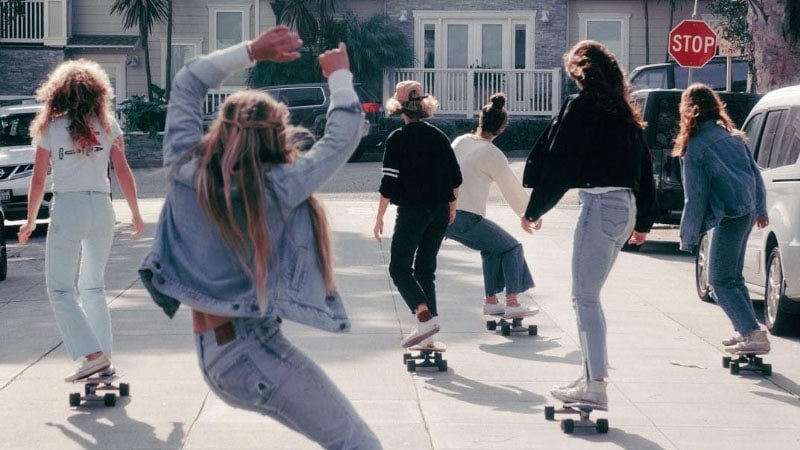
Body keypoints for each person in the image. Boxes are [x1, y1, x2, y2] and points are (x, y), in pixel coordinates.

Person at [137, 27, 381, 449]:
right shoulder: (277, 186)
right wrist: (339, 76)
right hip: (249, 348)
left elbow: (188, 81)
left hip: (217, 352)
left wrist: (252, 51)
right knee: (358, 444)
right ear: (277, 137)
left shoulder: (183, 167)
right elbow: (342, 137)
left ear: (221, 127)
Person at [521, 40, 656, 409]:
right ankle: (589, 377)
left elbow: (561, 161)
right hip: (623, 208)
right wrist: (643, 221)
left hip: (601, 205)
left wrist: (534, 209)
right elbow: (645, 170)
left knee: (585, 298)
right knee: (588, 297)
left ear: (581, 74)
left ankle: (595, 386)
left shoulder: (583, 107)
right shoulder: (625, 113)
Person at [18, 59, 145, 382]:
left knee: (60, 289)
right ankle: (104, 357)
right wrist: (135, 213)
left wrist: (30, 220)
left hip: (68, 208)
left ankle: (93, 355)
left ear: (58, 92)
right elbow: (123, 171)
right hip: (102, 209)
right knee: (94, 287)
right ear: (97, 92)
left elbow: (37, 180)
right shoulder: (109, 125)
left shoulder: (51, 127)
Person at [675, 83, 770, 354]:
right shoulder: (732, 136)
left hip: (729, 214)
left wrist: (689, 236)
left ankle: (753, 334)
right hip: (746, 210)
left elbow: (694, 197)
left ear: (688, 111)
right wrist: (761, 209)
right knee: (733, 277)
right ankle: (746, 330)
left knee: (718, 281)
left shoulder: (695, 147)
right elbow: (755, 174)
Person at [373, 80, 462, 348]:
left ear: (399, 107)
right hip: (439, 211)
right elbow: (456, 179)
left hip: (413, 211)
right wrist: (452, 209)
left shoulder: (397, 139)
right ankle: (429, 339)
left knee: (399, 267)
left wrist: (379, 218)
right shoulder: (438, 136)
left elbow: (388, 185)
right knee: (425, 269)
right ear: (424, 105)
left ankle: (423, 316)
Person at [445, 93, 540, 316]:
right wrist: (530, 214)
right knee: (512, 247)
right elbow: (511, 189)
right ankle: (513, 303)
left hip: (443, 215)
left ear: (480, 120)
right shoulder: (492, 153)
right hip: (466, 218)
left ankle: (491, 301)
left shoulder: (460, 141)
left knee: (492, 249)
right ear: (502, 128)